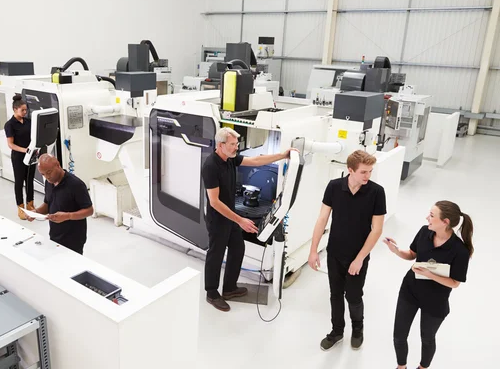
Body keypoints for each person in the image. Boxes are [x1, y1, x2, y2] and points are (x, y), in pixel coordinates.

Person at [201, 127, 298, 312]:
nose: (236, 147)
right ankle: (212, 293)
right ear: (221, 145)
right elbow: (214, 202)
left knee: (238, 248)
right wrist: (240, 220)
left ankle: (229, 288)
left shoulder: (229, 159)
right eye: (232, 144)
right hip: (218, 219)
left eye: (237, 144)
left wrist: (282, 155)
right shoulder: (211, 166)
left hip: (231, 216)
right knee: (216, 254)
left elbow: (256, 160)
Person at [308, 150, 386, 351]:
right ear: (350, 170)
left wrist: (360, 258)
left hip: (358, 255)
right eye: (363, 172)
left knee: (353, 295)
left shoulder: (377, 192)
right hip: (335, 252)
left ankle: (358, 329)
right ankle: (337, 331)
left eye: (370, 171)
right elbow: (322, 219)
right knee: (335, 294)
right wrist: (313, 250)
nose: (368, 176)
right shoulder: (334, 187)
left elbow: (377, 229)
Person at [384, 201, 473, 369]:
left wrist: (429, 274)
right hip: (410, 291)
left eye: (432, 216)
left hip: (435, 300)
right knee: (399, 335)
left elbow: (455, 283)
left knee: (427, 338)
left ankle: (423, 367)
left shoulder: (460, 251)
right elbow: (412, 254)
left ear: (445, 222)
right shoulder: (425, 232)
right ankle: (401, 367)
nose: (427, 218)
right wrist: (396, 250)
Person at [26, 154, 93, 255]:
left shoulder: (76, 185)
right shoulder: (49, 183)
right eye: (43, 174)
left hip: (73, 239)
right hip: (55, 236)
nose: (47, 177)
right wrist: (36, 212)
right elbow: (48, 203)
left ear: (58, 165)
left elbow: (89, 210)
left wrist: (68, 216)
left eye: (49, 172)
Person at [4, 94, 36, 220]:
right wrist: (25, 150)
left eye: (25, 110)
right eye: (22, 110)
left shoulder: (28, 122)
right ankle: (21, 207)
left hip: (31, 155)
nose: (24, 112)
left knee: (29, 180)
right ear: (15, 109)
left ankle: (30, 204)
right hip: (19, 157)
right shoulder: (10, 124)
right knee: (19, 181)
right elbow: (10, 144)